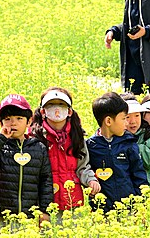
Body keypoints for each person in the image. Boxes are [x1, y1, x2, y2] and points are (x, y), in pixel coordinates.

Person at [0, 94, 54, 238]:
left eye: (19, 119)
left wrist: (44, 211)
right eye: (8, 119)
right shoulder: (0, 145)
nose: (13, 123)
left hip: (27, 215)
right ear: (0, 123)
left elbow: (45, 180)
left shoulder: (38, 147)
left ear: (29, 121)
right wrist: (0, 138)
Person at [29, 87, 101, 216]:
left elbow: (82, 167)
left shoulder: (76, 136)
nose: (56, 109)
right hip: (46, 204)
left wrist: (91, 180)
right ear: (43, 111)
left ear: (69, 111)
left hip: (73, 202)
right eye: (51, 105)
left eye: (61, 104)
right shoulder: (35, 138)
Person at [86, 92, 147, 213]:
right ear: (108, 121)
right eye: (124, 118)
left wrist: (142, 204)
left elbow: (139, 175)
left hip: (129, 207)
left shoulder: (129, 143)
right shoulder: (91, 146)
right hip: (102, 210)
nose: (127, 123)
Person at [121, 94, 150, 195]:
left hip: (146, 188)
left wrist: (134, 146)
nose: (133, 121)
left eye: (137, 115)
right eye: (128, 117)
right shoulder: (114, 136)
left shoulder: (146, 134)